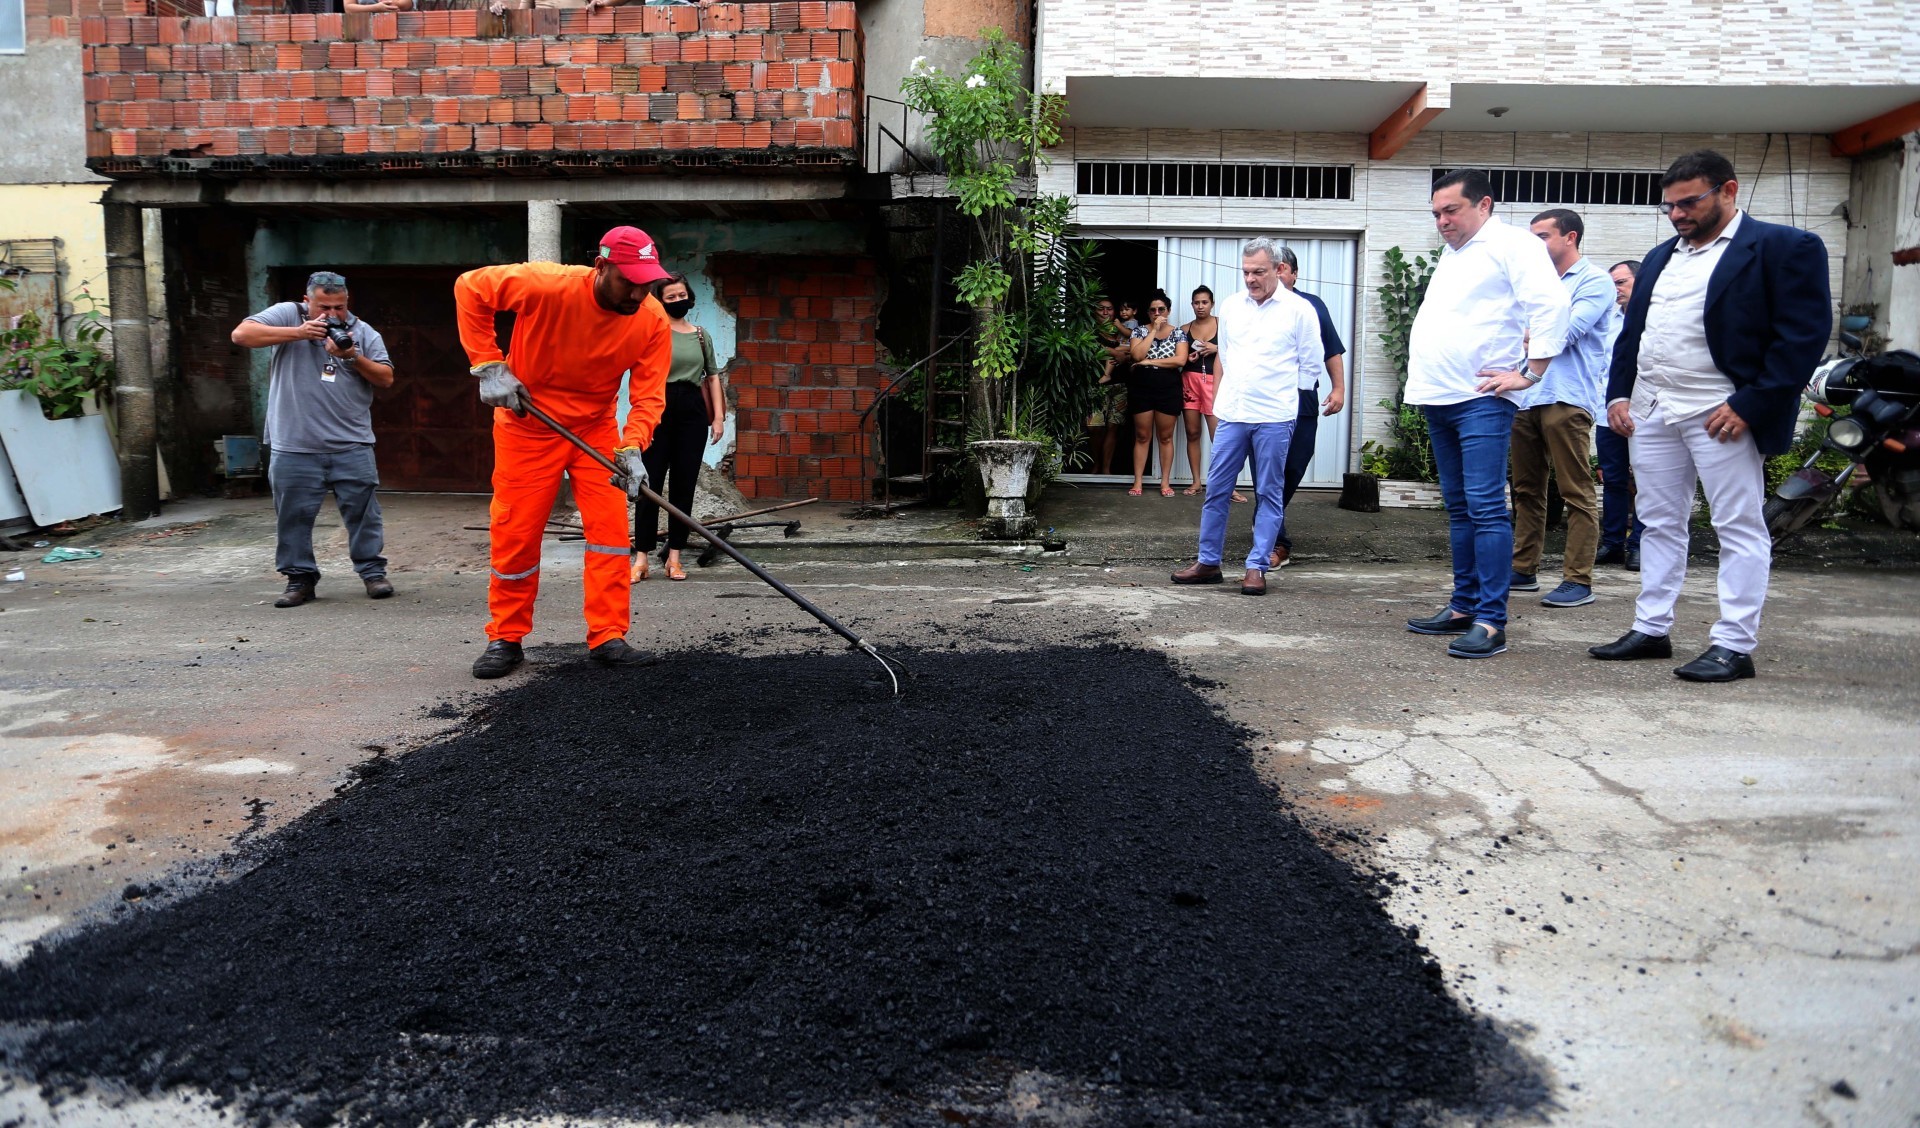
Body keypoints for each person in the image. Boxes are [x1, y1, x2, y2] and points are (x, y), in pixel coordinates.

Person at [1589, 149, 1832, 682]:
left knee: (1738, 526)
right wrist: (1619, 395)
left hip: (1722, 412)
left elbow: (1803, 337)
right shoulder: (1658, 257)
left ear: (1729, 190)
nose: (1677, 214)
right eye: (1669, 206)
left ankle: (1734, 645)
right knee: (1657, 522)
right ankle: (1652, 628)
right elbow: (1634, 334)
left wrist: (1751, 403)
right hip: (1653, 409)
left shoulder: (1783, 247)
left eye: (1688, 202)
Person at [453, 226, 674, 680]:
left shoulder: (651, 319)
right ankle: (506, 637)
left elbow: (649, 395)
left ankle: (608, 635)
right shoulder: (548, 285)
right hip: (527, 426)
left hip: (595, 431)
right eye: (628, 280)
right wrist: (488, 363)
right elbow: (469, 287)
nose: (637, 292)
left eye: (646, 282)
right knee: (516, 532)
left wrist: (633, 446)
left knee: (610, 534)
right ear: (601, 266)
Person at [1402, 169, 1571, 659]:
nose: (1442, 221)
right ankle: (1462, 605)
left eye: (1451, 210)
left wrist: (1530, 372)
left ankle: (1492, 621)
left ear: (1484, 205)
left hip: (1481, 400)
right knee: (1458, 507)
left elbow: (1551, 304)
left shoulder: (1512, 245)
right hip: (1440, 396)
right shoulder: (1454, 256)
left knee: (1486, 508)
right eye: (1436, 213)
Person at [231, 271, 397, 609]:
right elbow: (241, 335)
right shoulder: (287, 315)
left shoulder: (363, 332)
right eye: (324, 306)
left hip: (351, 444)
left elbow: (386, 377)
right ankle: (300, 580)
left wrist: (351, 356)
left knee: (364, 514)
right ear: (307, 301)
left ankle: (372, 573)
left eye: (339, 307)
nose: (332, 314)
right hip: (294, 444)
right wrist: (299, 332)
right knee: (292, 516)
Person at [1170, 238, 1321, 596]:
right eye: (1246, 272)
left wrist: (1282, 396)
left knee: (1269, 492)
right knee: (1217, 489)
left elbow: (1311, 365)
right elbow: (1227, 356)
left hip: (1274, 417)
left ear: (1278, 269)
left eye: (1259, 272)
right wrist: (1223, 397)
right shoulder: (1232, 306)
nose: (1251, 279)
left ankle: (1256, 566)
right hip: (1233, 413)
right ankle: (1208, 562)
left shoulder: (1299, 310)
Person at [1508, 208, 1615, 608]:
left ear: (1570, 237)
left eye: (1542, 236)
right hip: (1525, 395)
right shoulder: (1532, 282)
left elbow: (1564, 333)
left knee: (1575, 492)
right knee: (1525, 490)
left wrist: (1525, 332)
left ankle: (1578, 580)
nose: (1534, 244)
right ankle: (1523, 569)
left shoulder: (1594, 280)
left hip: (1566, 398)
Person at [633, 272, 725, 583]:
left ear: (689, 298)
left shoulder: (701, 335)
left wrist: (719, 418)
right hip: (656, 409)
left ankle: (674, 557)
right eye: (670, 297)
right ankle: (642, 558)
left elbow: (712, 377)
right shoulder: (650, 332)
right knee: (649, 485)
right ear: (660, 301)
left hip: (692, 411)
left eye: (681, 296)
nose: (677, 301)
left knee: (684, 486)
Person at [1269, 246, 1346, 567]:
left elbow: (1331, 349)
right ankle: (1276, 541)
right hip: (1265, 403)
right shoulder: (1253, 307)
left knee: (1295, 465)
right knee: (1268, 472)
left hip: (1302, 401)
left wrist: (1338, 387)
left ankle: (1268, 517)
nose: (1276, 274)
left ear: (1294, 273)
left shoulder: (1312, 306)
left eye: (1282, 268)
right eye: (1270, 268)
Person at [1595, 260, 1645, 571]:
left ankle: (1639, 544)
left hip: (1644, 413)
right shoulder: (1608, 321)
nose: (1616, 290)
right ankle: (1612, 543)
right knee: (1613, 480)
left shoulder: (1652, 320)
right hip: (1607, 412)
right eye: (1612, 283)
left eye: (1622, 283)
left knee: (1646, 480)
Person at [1126, 289, 1188, 497]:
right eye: (1153, 310)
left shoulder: (1178, 333)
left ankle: (1165, 482)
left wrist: (1150, 361)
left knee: (1166, 437)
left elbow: (1180, 360)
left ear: (1168, 311)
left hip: (1168, 385)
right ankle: (1138, 482)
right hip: (1142, 384)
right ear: (1148, 312)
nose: (1157, 313)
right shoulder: (1139, 332)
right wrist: (1153, 331)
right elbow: (1136, 355)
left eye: (1161, 309)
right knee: (1142, 435)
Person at [1179, 285, 1218, 496]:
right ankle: (1196, 482)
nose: (1200, 306)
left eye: (1204, 302)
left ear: (1212, 303)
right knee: (1192, 433)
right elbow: (1177, 358)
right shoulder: (1185, 329)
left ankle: (1224, 486)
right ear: (1192, 304)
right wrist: (1187, 358)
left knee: (1219, 437)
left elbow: (1241, 350)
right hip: (1190, 382)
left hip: (1214, 382)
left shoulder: (1223, 324)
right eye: (1196, 302)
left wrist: (1216, 348)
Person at [1087, 297, 1132, 475]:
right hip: (1096, 385)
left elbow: (1134, 350)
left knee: (1114, 426)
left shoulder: (1122, 330)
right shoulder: (1090, 330)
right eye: (1101, 309)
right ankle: (1096, 463)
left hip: (1120, 385)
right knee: (1094, 427)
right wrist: (1114, 352)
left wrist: (1126, 356)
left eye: (1110, 309)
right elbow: (1089, 348)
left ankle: (1106, 468)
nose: (1106, 312)